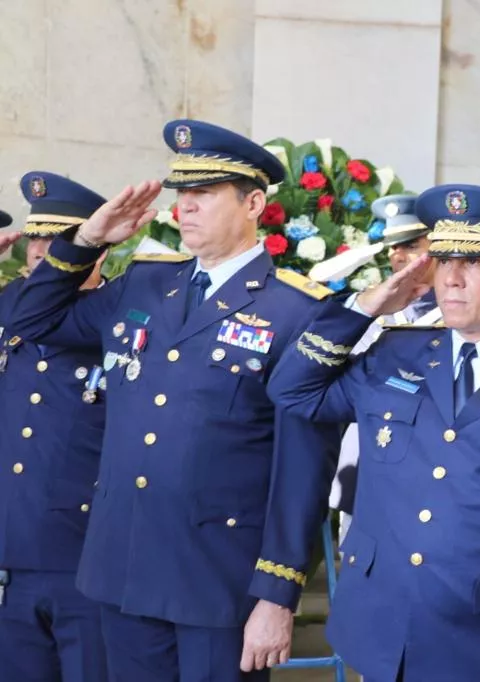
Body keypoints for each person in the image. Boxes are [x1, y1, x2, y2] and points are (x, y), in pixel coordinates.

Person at [5, 119, 342, 682]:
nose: (186, 206)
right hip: (122, 571)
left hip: (216, 585)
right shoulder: (144, 284)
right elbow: (32, 318)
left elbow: (300, 468)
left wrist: (277, 595)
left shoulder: (296, 312)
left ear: (254, 202)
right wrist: (88, 242)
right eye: (182, 193)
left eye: (204, 193)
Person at [267, 184, 480, 682]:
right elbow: (293, 392)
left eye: (473, 263)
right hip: (382, 640)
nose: (451, 278)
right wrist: (364, 307)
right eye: (444, 259)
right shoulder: (395, 353)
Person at [0, 173, 109, 682]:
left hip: (85, 555)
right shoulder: (7, 307)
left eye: (59, 239)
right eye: (36, 237)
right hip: (12, 549)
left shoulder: (121, 316)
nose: (42, 250)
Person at [330, 194, 439, 545]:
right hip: (368, 473)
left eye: (410, 244)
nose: (398, 255)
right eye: (393, 247)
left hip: (434, 477)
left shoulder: (463, 311)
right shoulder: (369, 308)